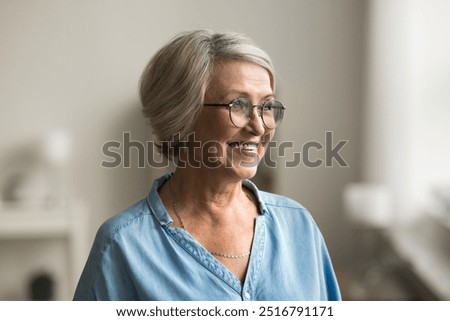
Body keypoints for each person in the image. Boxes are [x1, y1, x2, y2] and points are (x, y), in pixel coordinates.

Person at [73, 30, 341, 301]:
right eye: (240, 105)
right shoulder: (123, 245)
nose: (259, 126)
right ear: (183, 116)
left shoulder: (298, 225)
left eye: (267, 106)